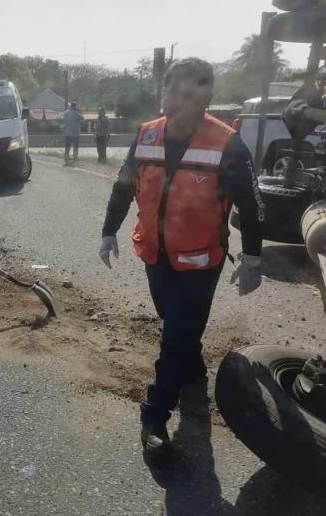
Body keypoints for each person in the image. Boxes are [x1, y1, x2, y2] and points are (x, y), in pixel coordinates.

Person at [98, 58, 265, 460]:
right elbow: (124, 187)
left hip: (200, 262)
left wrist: (253, 259)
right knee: (173, 325)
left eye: (191, 93)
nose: (180, 101)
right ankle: (193, 370)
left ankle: (154, 415)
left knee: (174, 335)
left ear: (207, 97)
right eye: (173, 91)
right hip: (155, 255)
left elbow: (252, 205)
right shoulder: (147, 135)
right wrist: (108, 231)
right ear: (163, 93)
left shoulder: (227, 143)